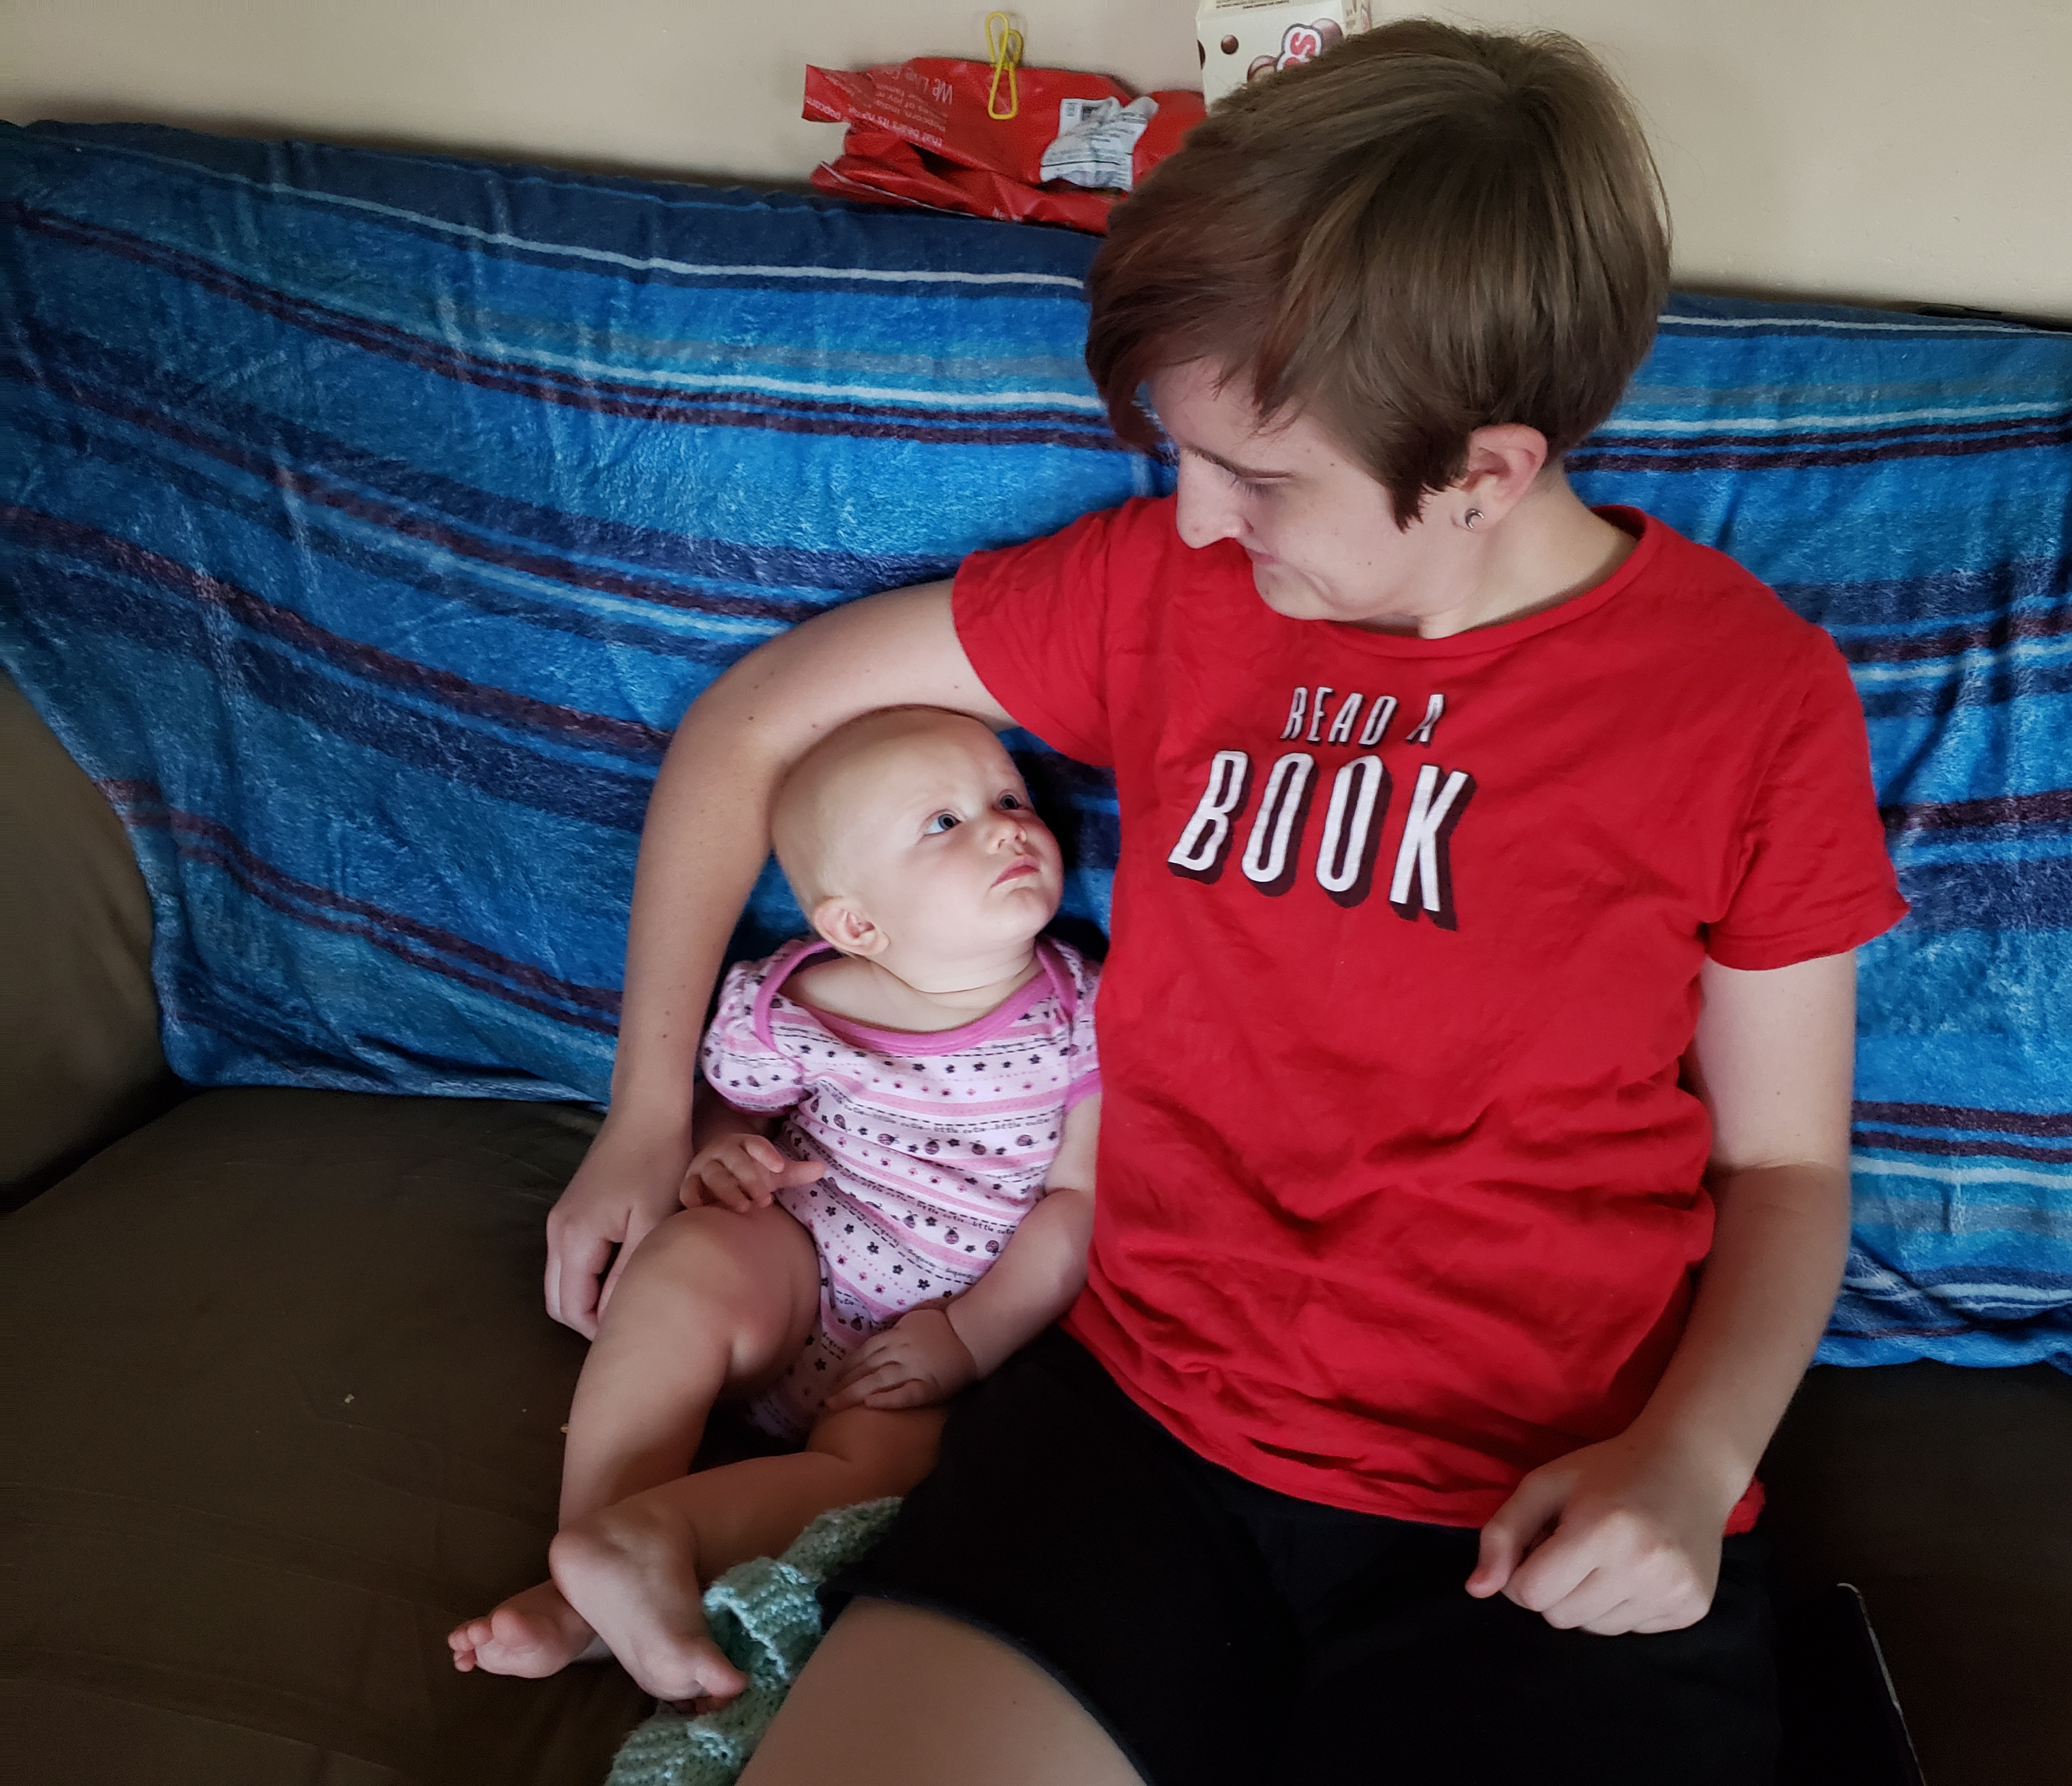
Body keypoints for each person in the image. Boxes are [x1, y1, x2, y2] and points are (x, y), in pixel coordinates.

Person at [544, 19, 1907, 1784]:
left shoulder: (1750, 700)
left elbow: (1788, 1169)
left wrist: (1695, 1459)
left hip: (1526, 1500)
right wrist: (646, 1115)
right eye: (1181, 453)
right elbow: (753, 725)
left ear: (1484, 472)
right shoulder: (1160, 598)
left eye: (1256, 477)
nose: (1193, 519)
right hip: (1130, 1439)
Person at [449, 706, 1102, 1708]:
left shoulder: (1083, 1013)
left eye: (1008, 798)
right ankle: (594, 1558)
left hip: (939, 1334)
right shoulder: (792, 1004)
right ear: (857, 925)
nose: (1008, 827)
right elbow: (729, 1108)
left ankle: (622, 1573)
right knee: (686, 1261)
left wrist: (967, 1340)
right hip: (799, 1257)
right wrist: (724, 1156)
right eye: (944, 822)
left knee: (892, 1481)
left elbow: (1076, 1204)